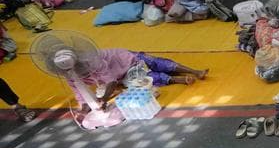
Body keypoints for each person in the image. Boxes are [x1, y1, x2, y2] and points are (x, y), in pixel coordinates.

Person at [77, 49, 206, 107]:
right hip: (124, 74)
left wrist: (103, 99)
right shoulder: (71, 74)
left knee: (157, 62)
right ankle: (178, 80)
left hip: (129, 58)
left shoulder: (94, 60)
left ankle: (195, 71)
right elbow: (79, 92)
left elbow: (111, 81)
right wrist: (84, 108)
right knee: (146, 79)